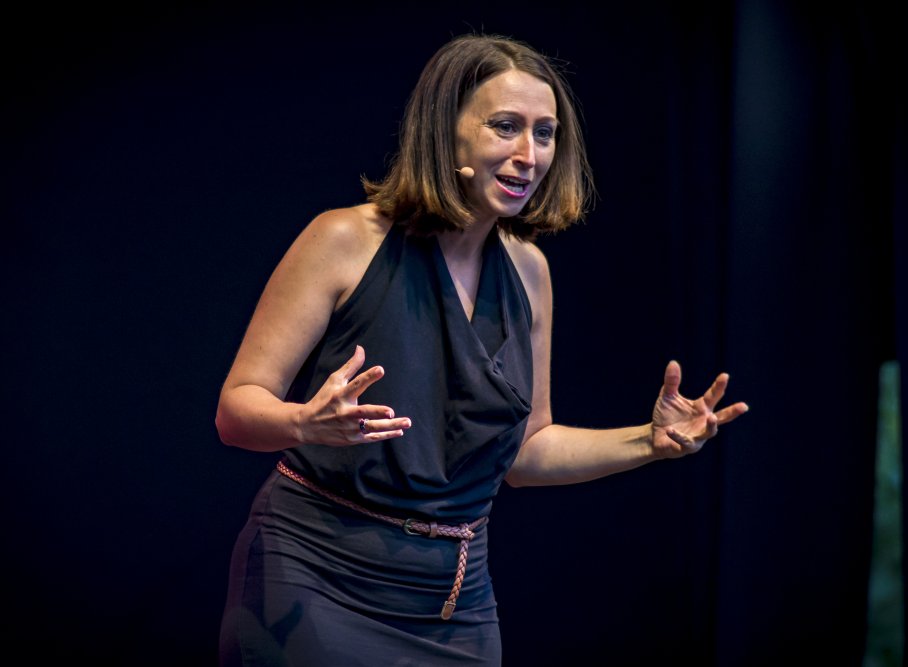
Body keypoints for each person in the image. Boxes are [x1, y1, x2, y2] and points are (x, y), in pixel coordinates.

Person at [215, 32, 748, 666]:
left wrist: (649, 442)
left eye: (545, 134)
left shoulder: (529, 271)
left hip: (453, 603)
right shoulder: (344, 239)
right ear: (447, 131)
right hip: (314, 576)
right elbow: (236, 411)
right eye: (505, 127)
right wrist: (303, 423)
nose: (529, 155)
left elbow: (528, 450)